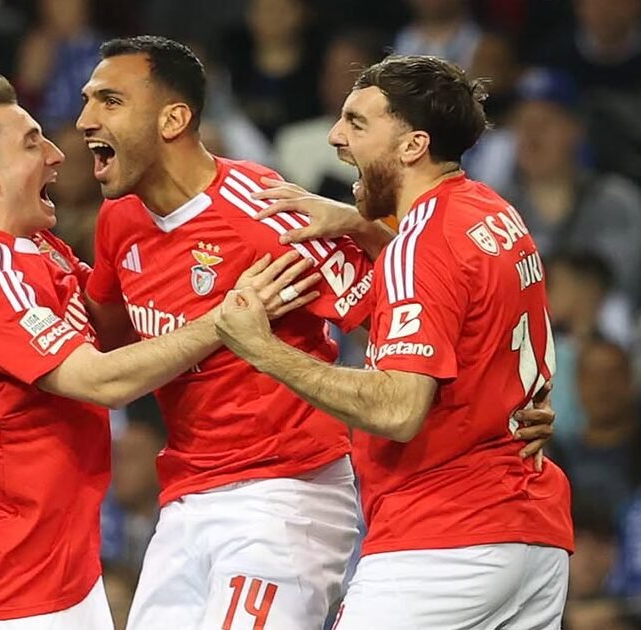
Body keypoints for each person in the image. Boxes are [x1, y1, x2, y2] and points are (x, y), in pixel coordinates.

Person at [74, 36, 557, 630]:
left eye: (110, 101)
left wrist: (500, 396)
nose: (84, 119)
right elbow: (101, 345)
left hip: (288, 494)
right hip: (184, 498)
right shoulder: (119, 220)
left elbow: (406, 314)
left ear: (173, 119)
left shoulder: (269, 216)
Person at [0, 72, 319, 629]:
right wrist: (226, 321)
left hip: (45, 551)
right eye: (31, 143)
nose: (57, 154)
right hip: (15, 577)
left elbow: (93, 321)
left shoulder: (26, 245)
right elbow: (103, 381)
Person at [215, 54, 574, 629]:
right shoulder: (493, 212)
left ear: (413, 146)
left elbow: (398, 410)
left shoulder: (420, 245)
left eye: (357, 123)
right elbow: (463, 304)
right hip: (532, 537)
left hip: (443, 539)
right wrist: (362, 224)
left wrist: (262, 349)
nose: (335, 136)